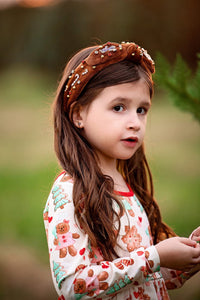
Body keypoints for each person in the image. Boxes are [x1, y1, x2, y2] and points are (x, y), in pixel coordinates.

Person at [43, 41, 200, 300]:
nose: (135, 122)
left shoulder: (127, 186)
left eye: (142, 110)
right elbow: (73, 286)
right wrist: (155, 256)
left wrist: (189, 254)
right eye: (118, 107)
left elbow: (146, 278)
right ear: (78, 114)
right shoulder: (69, 191)